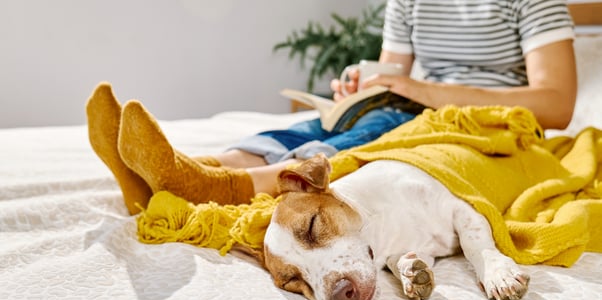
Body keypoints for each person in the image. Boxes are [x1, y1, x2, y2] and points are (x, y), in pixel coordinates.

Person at [87, 0, 577, 215]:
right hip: (414, 104)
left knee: (371, 130)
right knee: (336, 119)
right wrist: (360, 87)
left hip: (486, 124)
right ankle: (167, 176)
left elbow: (556, 105)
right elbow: (391, 75)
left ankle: (209, 186)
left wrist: (419, 90)